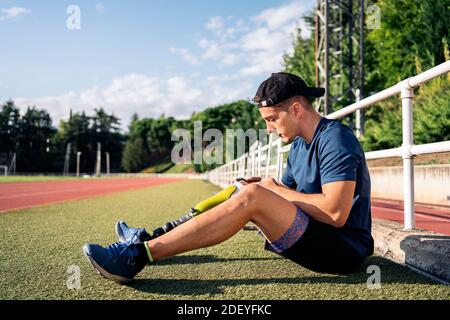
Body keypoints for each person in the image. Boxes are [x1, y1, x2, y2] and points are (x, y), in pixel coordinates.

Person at [83, 72, 374, 284]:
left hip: (344, 250)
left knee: (254, 195)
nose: (270, 129)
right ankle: (151, 237)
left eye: (272, 119)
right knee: (244, 189)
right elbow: (289, 195)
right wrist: (265, 188)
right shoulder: (298, 146)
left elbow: (336, 212)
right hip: (317, 236)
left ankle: (137, 256)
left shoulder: (335, 138)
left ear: (296, 109)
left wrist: (272, 192)